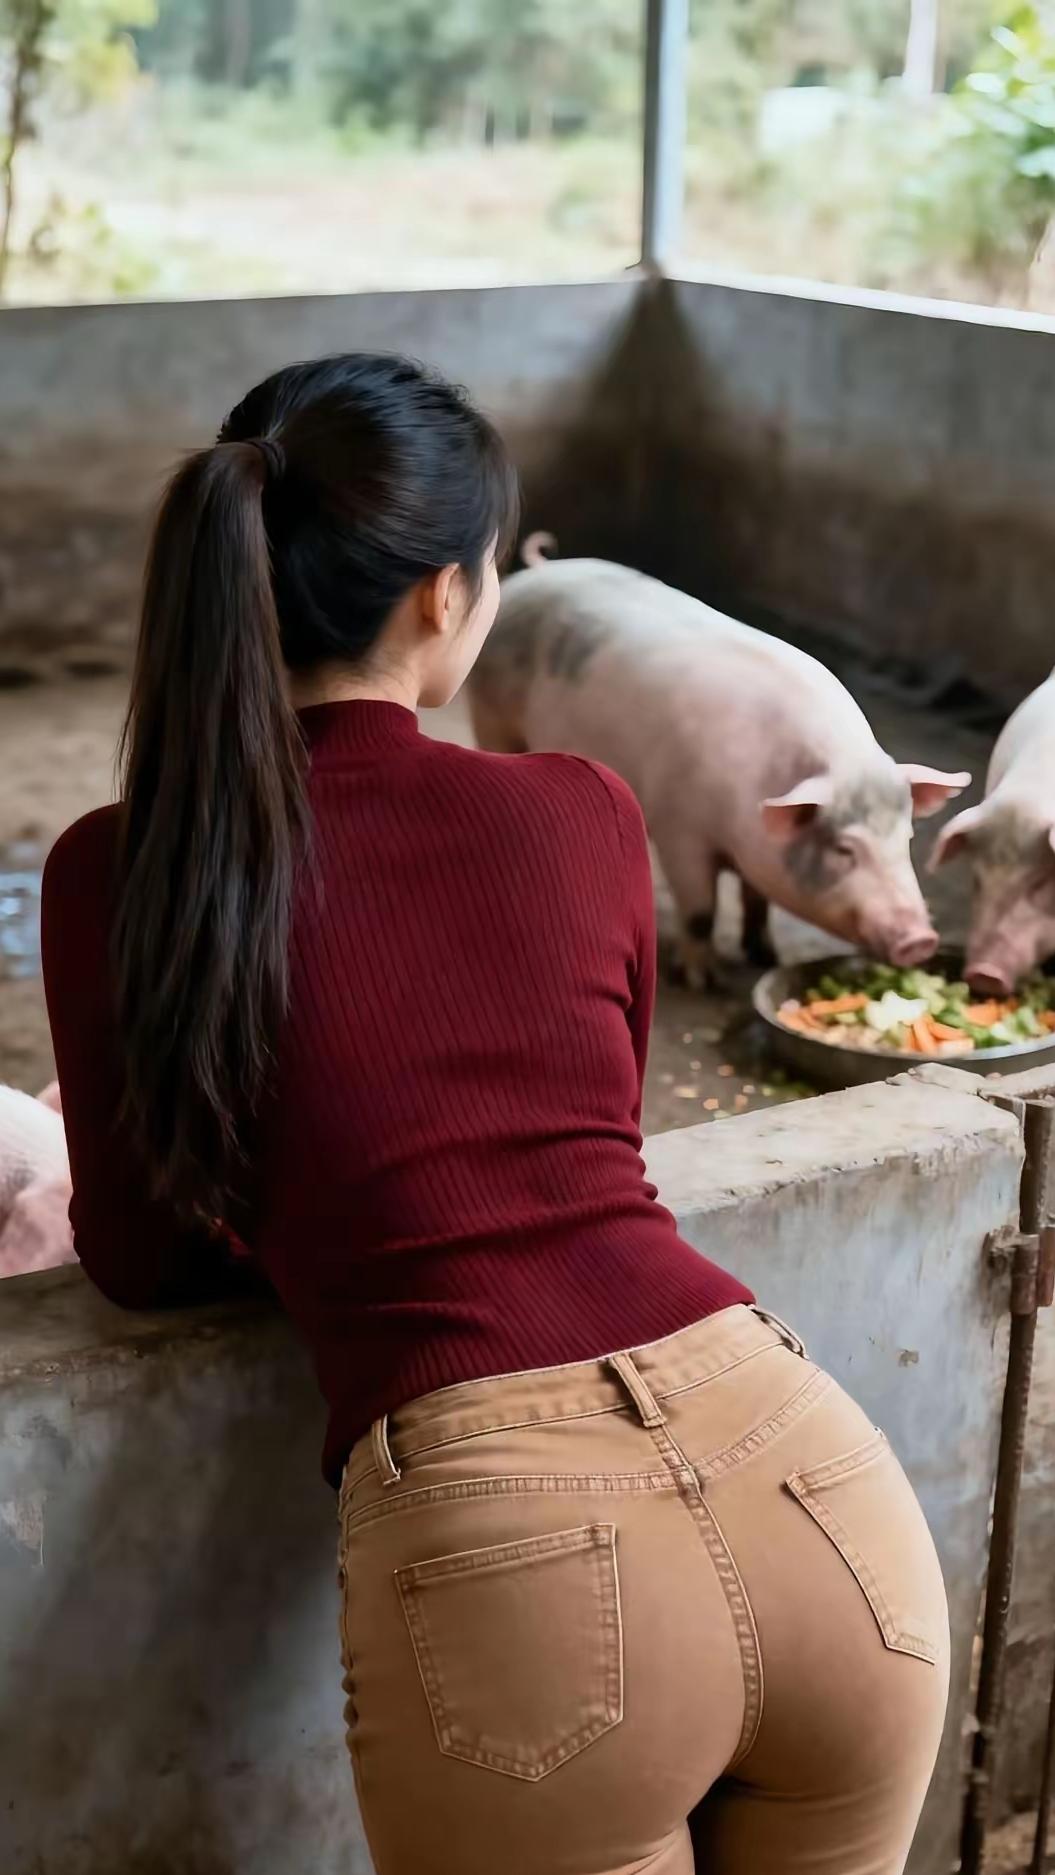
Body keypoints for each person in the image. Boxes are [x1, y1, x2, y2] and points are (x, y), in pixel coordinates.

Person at [41, 352, 949, 1875]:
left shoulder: (115, 872)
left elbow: (134, 1258)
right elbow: (596, 1136)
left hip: (509, 1547)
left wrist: (327, 1215)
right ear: (446, 599)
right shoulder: (582, 810)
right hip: (817, 1474)